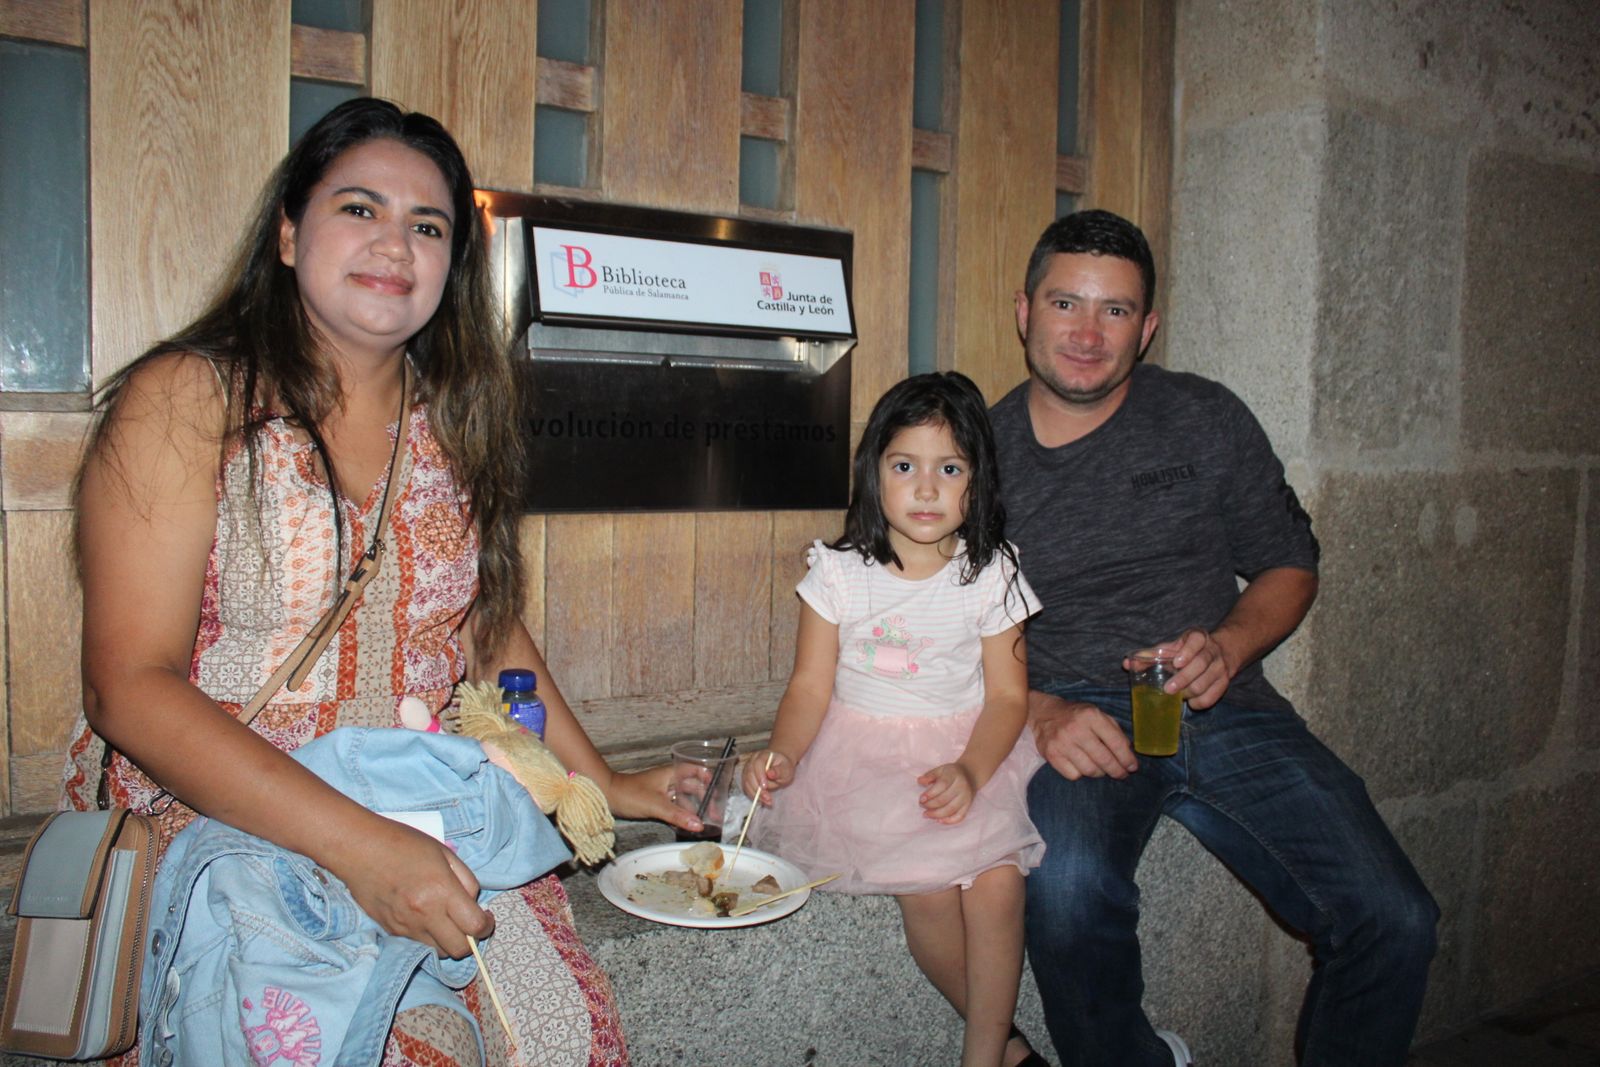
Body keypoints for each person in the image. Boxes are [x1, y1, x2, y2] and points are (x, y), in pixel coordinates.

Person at [61, 97, 699, 1066]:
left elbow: (485, 630)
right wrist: (359, 846)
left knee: (564, 1041)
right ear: (287, 231)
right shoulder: (187, 400)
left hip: (430, 801)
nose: (394, 243)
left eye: (428, 225)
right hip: (228, 812)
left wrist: (596, 780)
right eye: (359, 208)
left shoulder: (453, 421)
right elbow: (128, 686)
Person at [991, 209, 1440, 1067]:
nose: (1088, 333)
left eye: (1116, 310)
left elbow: (1288, 564)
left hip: (1224, 700)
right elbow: (929, 632)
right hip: (1074, 718)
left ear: (1148, 327)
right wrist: (1037, 710)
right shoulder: (977, 453)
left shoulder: (1204, 416)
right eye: (1066, 303)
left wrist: (1231, 645)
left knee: (1395, 915)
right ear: (1024, 311)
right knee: (1066, 890)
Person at [743, 372, 1050, 1067]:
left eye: (949, 469)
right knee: (931, 887)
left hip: (970, 748)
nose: (926, 488)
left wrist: (973, 769)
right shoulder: (841, 571)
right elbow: (809, 685)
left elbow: (1008, 697)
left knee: (999, 880)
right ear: (873, 471)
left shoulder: (991, 571)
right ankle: (1010, 1047)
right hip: (868, 762)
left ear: (977, 481)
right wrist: (784, 752)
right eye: (905, 466)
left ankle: (981, 1058)